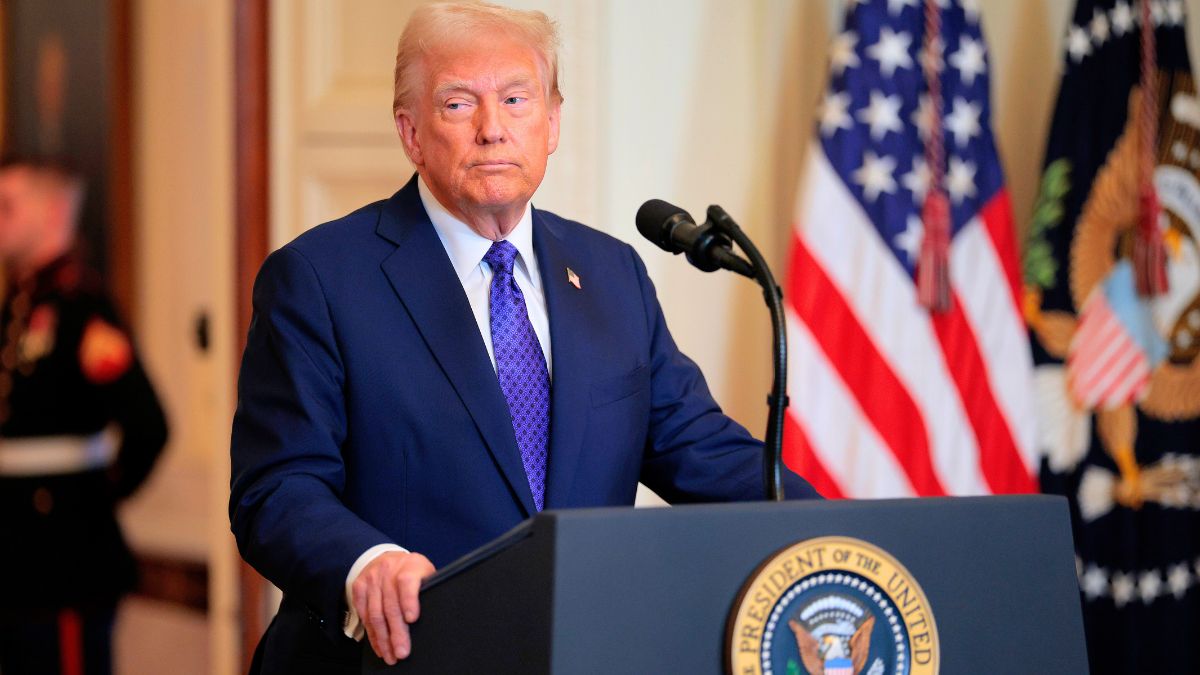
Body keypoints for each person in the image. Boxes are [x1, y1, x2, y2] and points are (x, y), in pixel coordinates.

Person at [229, 3, 819, 673]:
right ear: (411, 132)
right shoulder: (320, 279)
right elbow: (275, 489)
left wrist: (851, 534)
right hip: (394, 659)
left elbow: (703, 452)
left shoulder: (610, 273)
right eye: (458, 105)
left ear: (553, 121)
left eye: (516, 99)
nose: (492, 130)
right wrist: (367, 561)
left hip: (572, 653)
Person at [0, 157, 168, 674]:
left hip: (64, 559)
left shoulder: (82, 308)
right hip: (17, 557)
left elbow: (148, 427)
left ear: (52, 212)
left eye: (7, 208)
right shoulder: (19, 305)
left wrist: (92, 500)